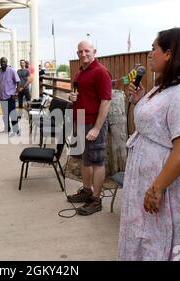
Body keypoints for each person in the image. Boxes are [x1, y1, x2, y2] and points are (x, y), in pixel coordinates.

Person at [118, 27, 180, 261]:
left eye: (154, 49)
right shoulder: (165, 87)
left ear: (169, 53)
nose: (149, 54)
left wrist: (157, 188)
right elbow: (155, 126)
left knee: (162, 244)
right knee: (145, 238)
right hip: (148, 180)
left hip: (167, 186)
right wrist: (140, 100)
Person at [66, 40, 112, 216]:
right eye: (80, 51)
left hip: (94, 123)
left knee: (97, 162)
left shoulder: (100, 72)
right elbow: (80, 95)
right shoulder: (80, 72)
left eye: (86, 51)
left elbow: (106, 101)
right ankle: (86, 190)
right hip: (82, 121)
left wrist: (97, 128)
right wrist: (72, 97)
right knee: (86, 159)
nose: (83, 54)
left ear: (94, 51)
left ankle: (96, 199)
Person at [0, 57, 20, 136]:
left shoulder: (12, 71)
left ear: (6, 62)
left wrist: (16, 93)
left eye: (4, 62)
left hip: (10, 96)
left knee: (12, 114)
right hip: (2, 96)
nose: (2, 63)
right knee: (5, 115)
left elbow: (18, 82)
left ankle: (16, 130)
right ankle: (7, 129)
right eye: (1, 62)